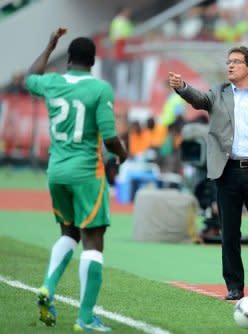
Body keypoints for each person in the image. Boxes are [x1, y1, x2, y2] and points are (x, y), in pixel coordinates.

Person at [168, 46, 248, 303]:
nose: (230, 65)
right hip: (227, 171)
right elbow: (199, 99)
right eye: (229, 61)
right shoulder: (218, 93)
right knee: (230, 233)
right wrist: (182, 87)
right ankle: (235, 286)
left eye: (236, 62)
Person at [25, 28, 127, 332]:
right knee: (93, 242)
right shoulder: (99, 89)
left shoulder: (52, 82)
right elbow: (109, 139)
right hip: (86, 173)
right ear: (93, 62)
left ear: (68, 59)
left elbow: (31, 76)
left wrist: (48, 45)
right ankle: (84, 317)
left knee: (69, 233)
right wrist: (124, 155)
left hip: (56, 171)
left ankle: (47, 286)